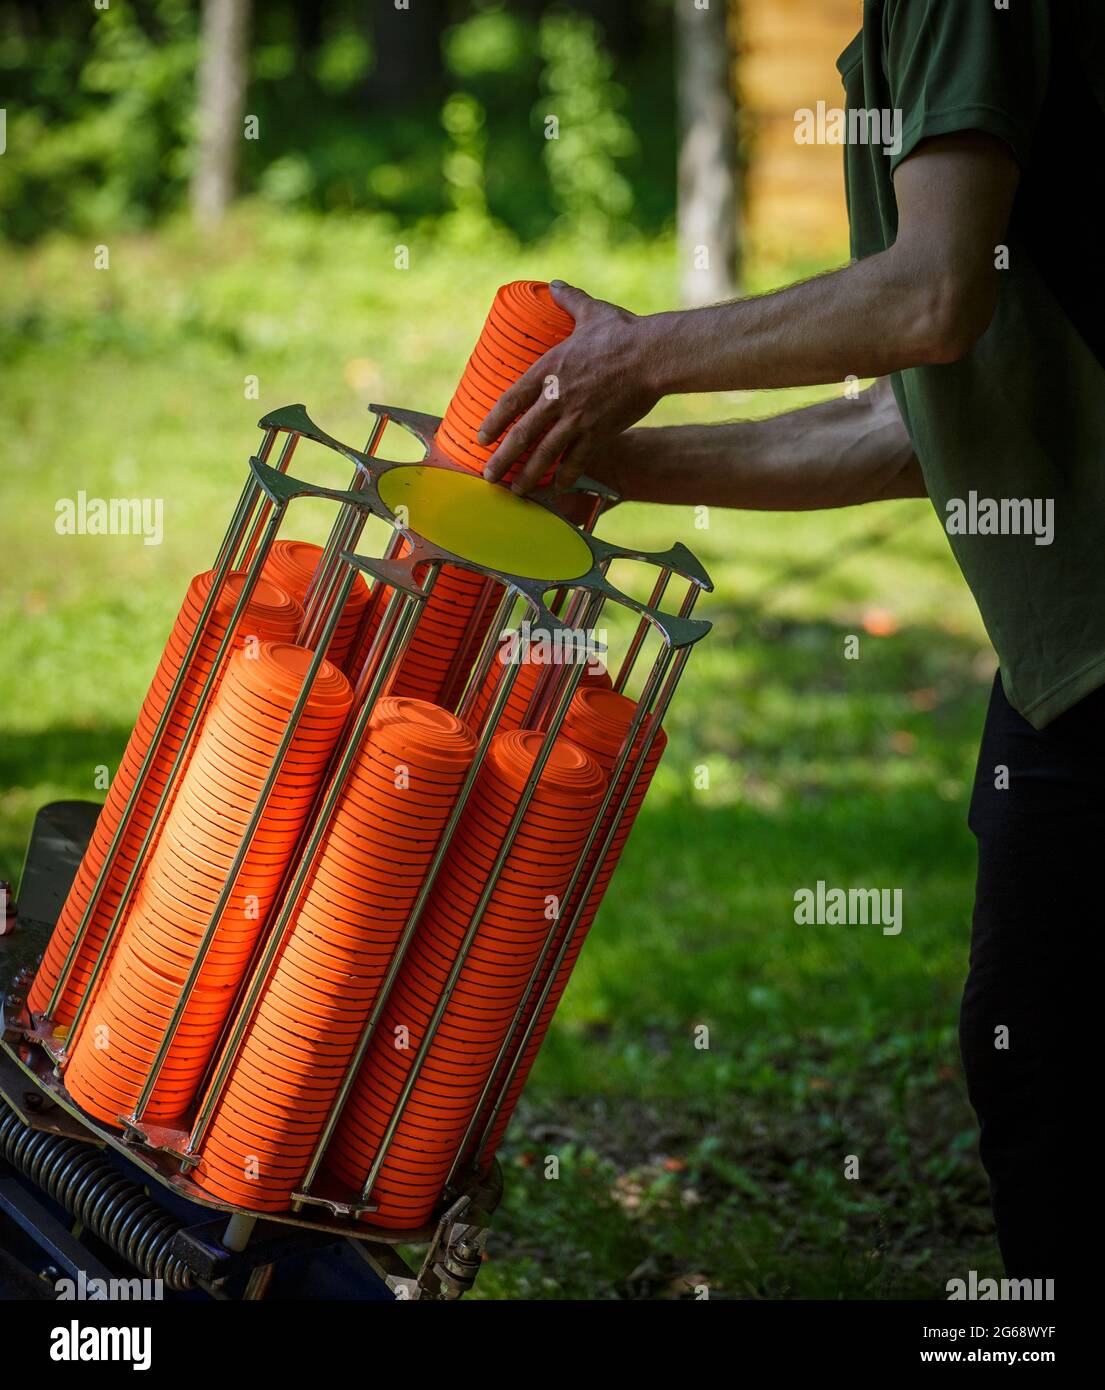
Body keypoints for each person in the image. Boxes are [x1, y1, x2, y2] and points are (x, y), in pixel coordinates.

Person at [478, 0, 1105, 1291]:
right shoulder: (897, 44)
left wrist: (642, 358)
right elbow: (908, 426)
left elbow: (927, 298)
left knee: (1042, 1069)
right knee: (1028, 1053)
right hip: (1066, 651)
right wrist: (609, 465)